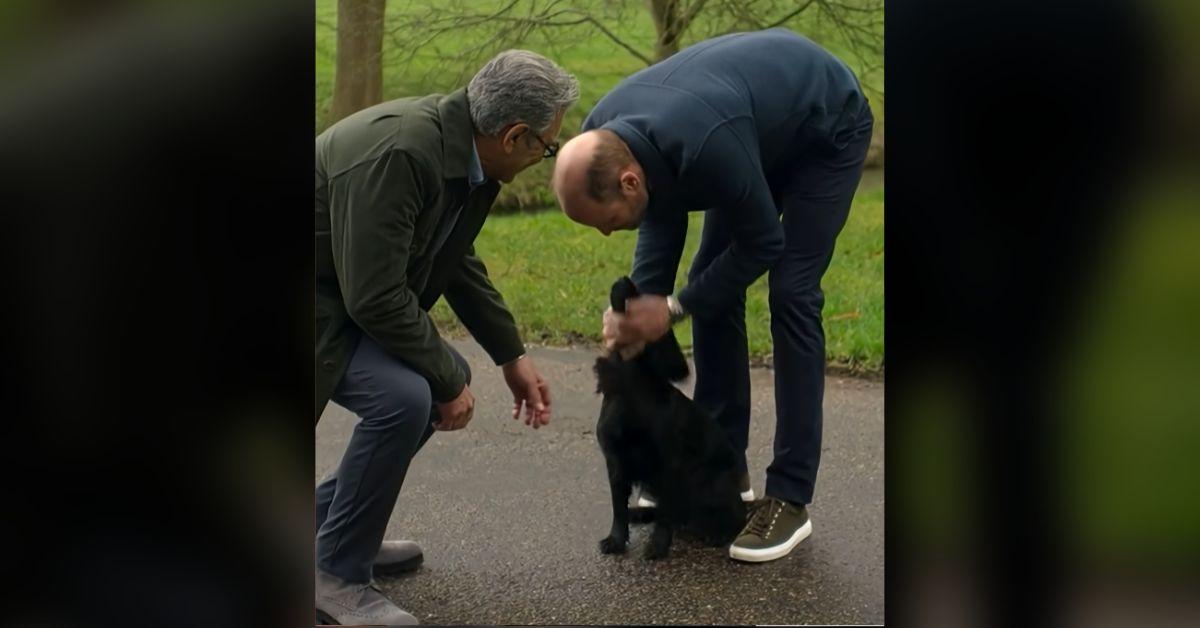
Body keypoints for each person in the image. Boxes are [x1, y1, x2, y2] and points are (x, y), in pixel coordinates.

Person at [551, 28, 873, 563]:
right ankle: (721, 466)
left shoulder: (703, 145)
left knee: (792, 292)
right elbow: (661, 212)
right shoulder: (606, 136)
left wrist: (672, 308)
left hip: (825, 129)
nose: (606, 233)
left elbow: (764, 241)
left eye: (604, 221)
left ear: (628, 182)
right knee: (712, 282)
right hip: (749, 130)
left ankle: (790, 498)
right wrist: (637, 314)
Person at [315, 50, 578, 624]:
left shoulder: (462, 155)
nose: (543, 156)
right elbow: (374, 297)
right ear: (514, 136)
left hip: (337, 295)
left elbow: (454, 259)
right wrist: (447, 381)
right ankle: (335, 574)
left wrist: (510, 355)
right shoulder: (404, 153)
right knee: (407, 397)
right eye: (546, 146)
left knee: (433, 381)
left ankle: (331, 530)